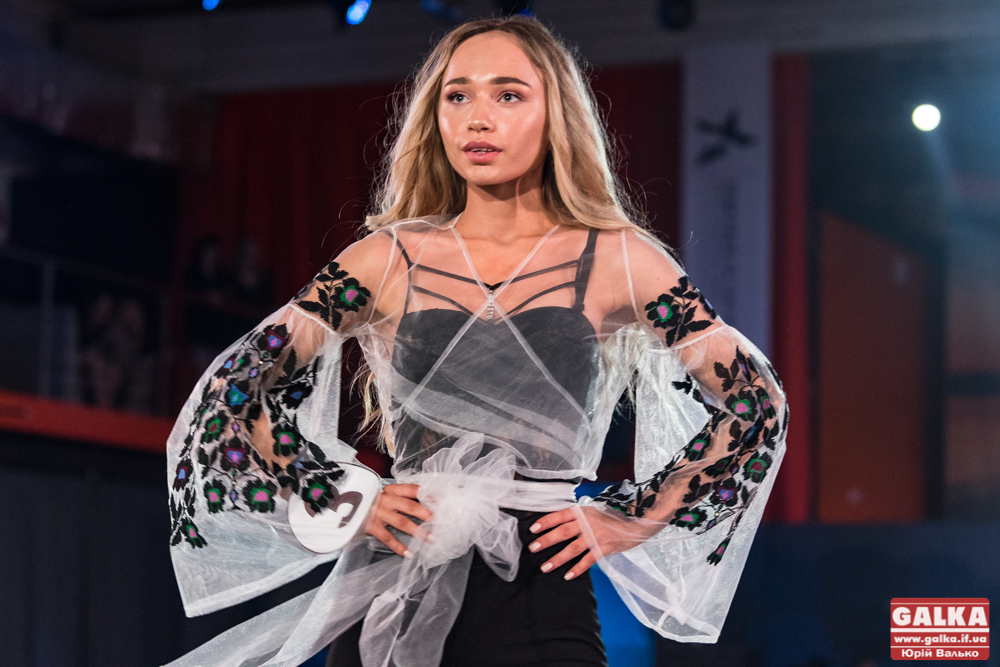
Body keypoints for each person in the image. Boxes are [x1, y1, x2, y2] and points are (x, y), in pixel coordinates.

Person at [164, 15, 788, 667]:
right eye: (457, 96)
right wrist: (339, 494)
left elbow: (757, 402)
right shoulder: (385, 259)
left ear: (555, 114)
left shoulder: (618, 260)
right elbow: (235, 387)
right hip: (395, 582)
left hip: (542, 586)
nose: (477, 118)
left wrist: (633, 517)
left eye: (508, 94)